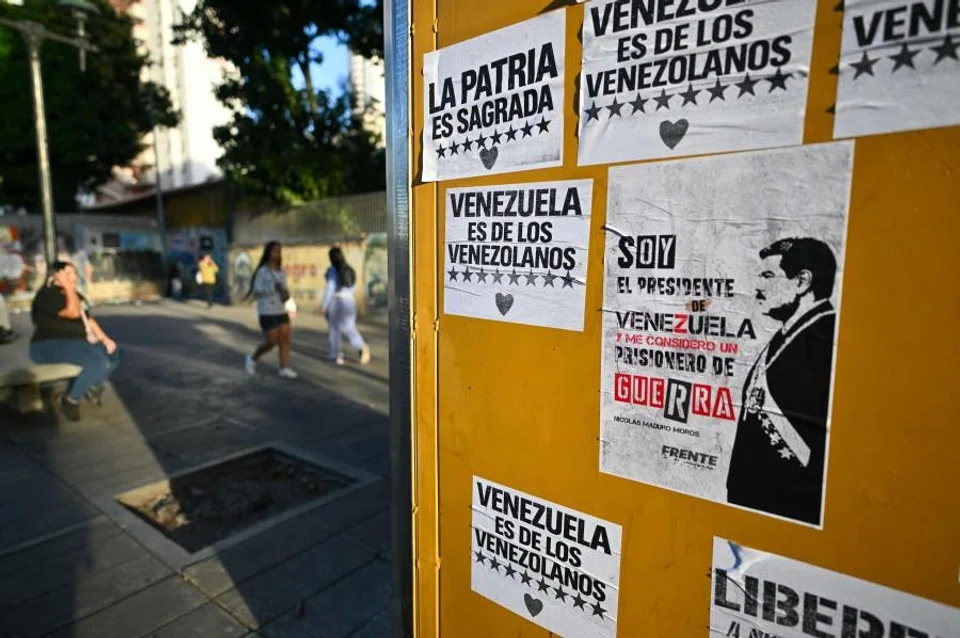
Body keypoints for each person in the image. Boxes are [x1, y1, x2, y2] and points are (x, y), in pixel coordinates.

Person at [726, 238, 838, 526]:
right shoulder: (788, 336)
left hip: (788, 511)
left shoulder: (825, 340)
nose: (758, 287)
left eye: (768, 276)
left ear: (802, 282)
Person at [29, 261, 120, 421]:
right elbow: (72, 312)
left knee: (112, 353)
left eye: (74, 273)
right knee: (97, 361)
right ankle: (71, 400)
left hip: (75, 343)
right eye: (68, 273)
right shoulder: (47, 295)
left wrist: (106, 339)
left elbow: (89, 320)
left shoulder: (76, 295)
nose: (75, 277)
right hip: (47, 345)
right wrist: (67, 286)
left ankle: (92, 386)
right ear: (56, 276)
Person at [244, 242, 298, 379]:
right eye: (274, 251)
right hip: (266, 310)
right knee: (271, 341)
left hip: (280, 308)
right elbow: (256, 290)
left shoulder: (281, 272)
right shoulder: (262, 271)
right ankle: (252, 358)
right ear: (268, 253)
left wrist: (284, 292)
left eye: (279, 251)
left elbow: (285, 290)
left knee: (285, 338)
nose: (277, 254)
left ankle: (284, 368)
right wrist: (271, 289)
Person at [321, 247, 371, 366]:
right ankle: (361, 346)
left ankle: (336, 354)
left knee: (334, 329)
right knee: (349, 326)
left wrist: (324, 305)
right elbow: (353, 287)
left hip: (337, 301)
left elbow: (330, 288)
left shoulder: (333, 270)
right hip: (349, 300)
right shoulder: (349, 269)